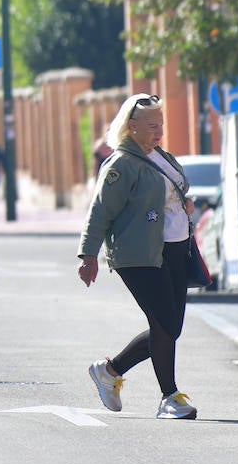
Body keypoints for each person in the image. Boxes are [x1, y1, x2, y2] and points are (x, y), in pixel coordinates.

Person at [78, 93, 198, 420]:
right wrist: (89, 255)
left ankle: (110, 370)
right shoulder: (122, 163)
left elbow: (174, 196)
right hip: (139, 254)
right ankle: (169, 396)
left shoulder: (163, 157)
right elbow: (101, 211)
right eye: (152, 125)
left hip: (176, 248)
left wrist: (185, 205)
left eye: (161, 124)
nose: (159, 131)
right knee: (163, 321)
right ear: (132, 127)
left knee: (169, 327)